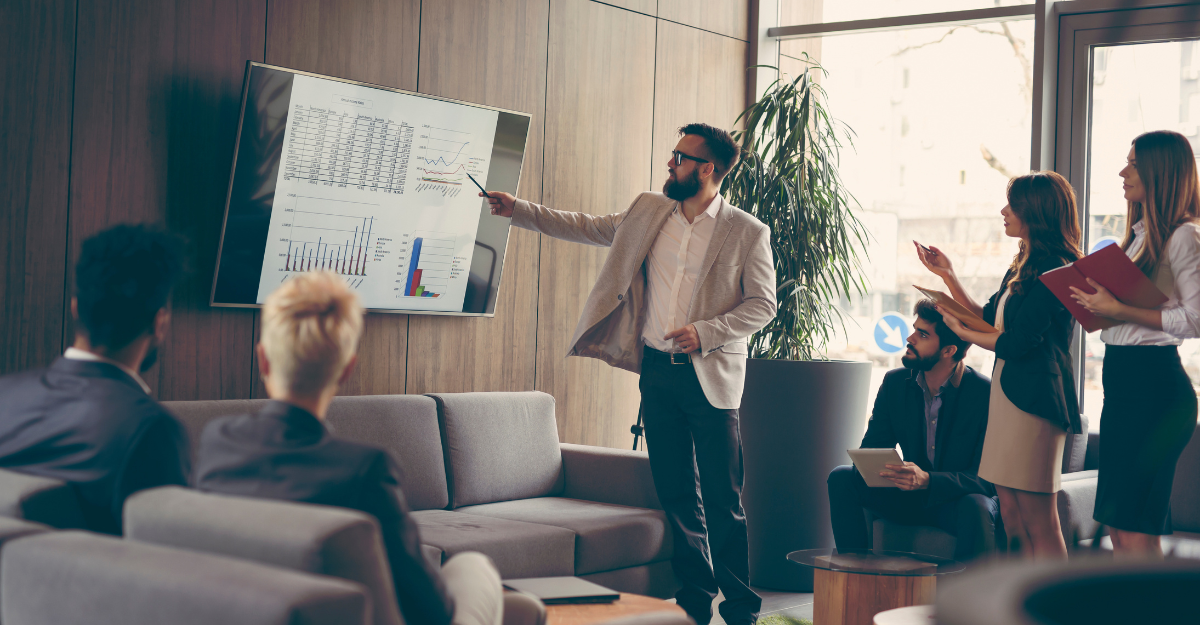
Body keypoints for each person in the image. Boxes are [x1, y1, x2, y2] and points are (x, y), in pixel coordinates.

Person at [481, 124, 776, 625]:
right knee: (677, 494)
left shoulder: (747, 231)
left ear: (707, 169)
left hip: (712, 382)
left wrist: (707, 331)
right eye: (672, 154)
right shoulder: (648, 210)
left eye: (680, 157)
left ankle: (743, 611)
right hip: (657, 373)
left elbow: (763, 305)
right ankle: (694, 601)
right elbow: (589, 226)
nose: (670, 164)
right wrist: (520, 211)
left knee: (724, 500)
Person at [193, 271, 502, 625]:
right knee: (474, 568)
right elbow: (429, 610)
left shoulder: (218, 441)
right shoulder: (365, 469)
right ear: (346, 369)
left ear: (263, 360)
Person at [917, 171, 1083, 560]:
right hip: (1009, 397)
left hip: (1036, 403)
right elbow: (988, 319)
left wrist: (963, 331)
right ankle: (1020, 604)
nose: (1004, 211)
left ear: (1036, 211)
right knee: (1009, 513)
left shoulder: (1058, 267)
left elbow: (1017, 342)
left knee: (1040, 519)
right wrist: (948, 276)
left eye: (1013, 204)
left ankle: (1053, 610)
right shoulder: (1023, 265)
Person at [0, 224, 190, 534]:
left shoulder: (4, 394)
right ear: (159, 323)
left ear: (75, 308)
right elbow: (168, 550)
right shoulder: (150, 429)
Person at [1070, 130, 1200, 557]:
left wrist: (1119, 309)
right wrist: (1097, 307)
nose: (1122, 172)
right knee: (1119, 527)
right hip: (1124, 384)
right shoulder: (1140, 234)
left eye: (1134, 164)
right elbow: (1130, 315)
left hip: (1156, 389)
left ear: (1161, 172)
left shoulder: (1184, 236)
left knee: (1136, 526)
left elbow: (1196, 320)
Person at [827, 300, 998, 561]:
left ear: (948, 350)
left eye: (923, 334)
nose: (910, 338)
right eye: (914, 329)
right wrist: (887, 469)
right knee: (842, 479)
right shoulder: (895, 383)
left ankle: (968, 598)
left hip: (954, 500)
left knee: (977, 505)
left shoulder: (984, 393)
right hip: (907, 497)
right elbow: (873, 446)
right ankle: (856, 577)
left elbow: (986, 479)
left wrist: (928, 480)